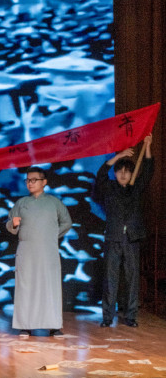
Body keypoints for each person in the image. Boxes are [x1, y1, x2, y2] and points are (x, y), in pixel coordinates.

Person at [94, 135, 154, 328]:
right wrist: (118, 156)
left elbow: (148, 170)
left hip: (132, 238)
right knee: (110, 278)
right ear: (116, 173)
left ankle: (131, 316)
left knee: (132, 279)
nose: (123, 174)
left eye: (127, 171)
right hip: (113, 237)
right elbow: (101, 174)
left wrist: (147, 146)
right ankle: (107, 317)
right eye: (120, 171)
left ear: (131, 174)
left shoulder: (136, 188)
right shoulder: (109, 188)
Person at [6, 166, 72, 337]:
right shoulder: (21, 203)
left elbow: (67, 222)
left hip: (48, 251)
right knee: (25, 286)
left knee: (50, 286)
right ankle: (25, 325)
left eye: (34, 180)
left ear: (44, 182)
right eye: (28, 180)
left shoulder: (54, 202)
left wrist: (51, 235)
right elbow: (10, 224)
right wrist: (13, 224)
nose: (30, 183)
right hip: (27, 250)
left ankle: (54, 326)